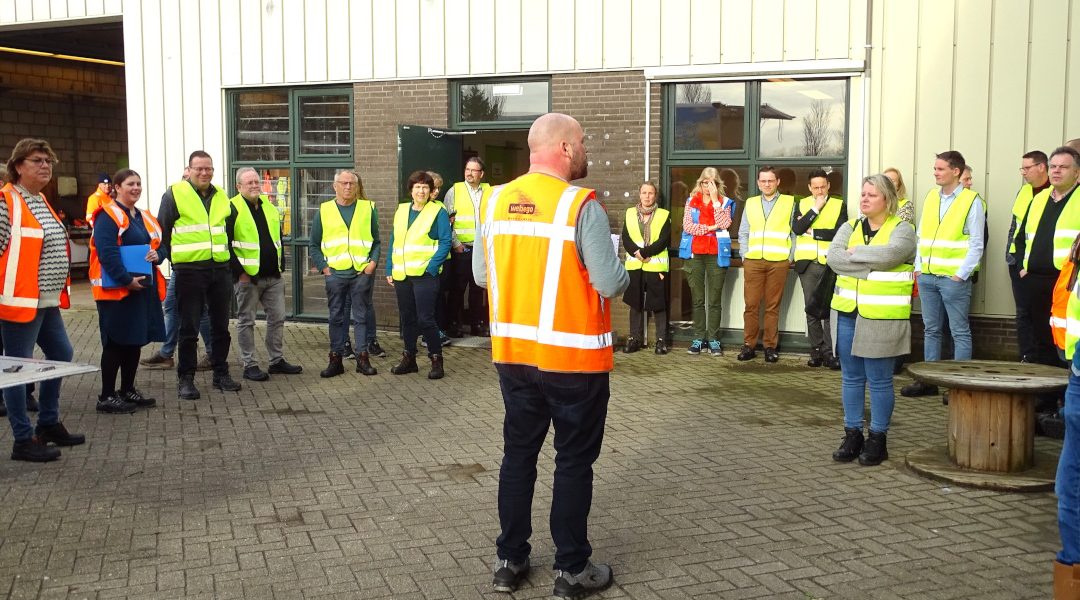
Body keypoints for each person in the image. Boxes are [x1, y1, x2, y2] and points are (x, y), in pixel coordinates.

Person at [474, 112, 627, 598]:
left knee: (518, 456)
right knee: (573, 463)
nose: (585, 151)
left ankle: (509, 560)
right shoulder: (581, 205)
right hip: (574, 363)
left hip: (514, 357)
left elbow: (482, 276)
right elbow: (608, 282)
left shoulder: (495, 201)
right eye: (581, 143)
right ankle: (571, 570)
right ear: (562, 148)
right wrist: (619, 265)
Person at [0, 138, 84, 462]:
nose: (45, 166)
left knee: (61, 353)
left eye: (48, 161)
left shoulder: (40, 200)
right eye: (37, 160)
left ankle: (48, 422)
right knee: (17, 369)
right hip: (21, 302)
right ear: (18, 166)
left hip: (46, 300)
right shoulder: (7, 201)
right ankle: (23, 439)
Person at [827, 174, 917, 467]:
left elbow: (892, 256)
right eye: (862, 194)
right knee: (851, 378)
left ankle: (878, 438)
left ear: (887, 199)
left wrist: (857, 254)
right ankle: (853, 434)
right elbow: (833, 258)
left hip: (881, 316)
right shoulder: (849, 226)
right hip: (847, 312)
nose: (864, 199)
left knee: (879, 381)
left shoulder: (902, 229)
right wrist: (869, 266)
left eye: (871, 195)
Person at [901, 151, 985, 397]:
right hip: (927, 276)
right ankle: (928, 381)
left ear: (955, 171)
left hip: (952, 279)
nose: (935, 172)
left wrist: (960, 274)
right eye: (935, 168)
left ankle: (958, 385)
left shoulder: (972, 201)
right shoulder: (930, 197)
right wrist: (918, 268)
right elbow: (921, 235)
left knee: (959, 331)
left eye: (940, 169)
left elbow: (976, 244)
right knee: (931, 329)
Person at [158, 150, 241, 399]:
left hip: (219, 270)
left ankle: (220, 373)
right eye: (199, 169)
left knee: (221, 327)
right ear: (189, 169)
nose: (205, 173)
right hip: (189, 271)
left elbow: (229, 230)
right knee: (189, 328)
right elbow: (163, 231)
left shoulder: (222, 196)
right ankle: (186, 378)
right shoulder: (174, 194)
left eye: (209, 168)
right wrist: (175, 261)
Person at [88, 168, 166, 414]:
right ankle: (107, 396)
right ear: (117, 187)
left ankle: (128, 389)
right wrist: (125, 280)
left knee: (135, 341)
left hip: (141, 288)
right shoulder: (107, 215)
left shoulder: (144, 216)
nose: (136, 188)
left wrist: (159, 255)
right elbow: (107, 252)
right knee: (116, 342)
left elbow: (163, 246)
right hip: (117, 291)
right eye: (130, 184)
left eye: (139, 184)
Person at [228, 167, 303, 382]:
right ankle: (249, 364)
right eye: (249, 182)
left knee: (278, 318)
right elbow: (227, 245)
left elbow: (277, 239)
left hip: (273, 277)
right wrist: (240, 273)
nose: (254, 185)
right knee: (246, 321)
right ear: (239, 186)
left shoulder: (269, 207)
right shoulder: (231, 208)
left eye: (256, 181)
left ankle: (276, 361)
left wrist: (280, 266)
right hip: (248, 278)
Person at [309, 169, 380, 378]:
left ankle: (362, 358)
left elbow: (376, 241)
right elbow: (314, 244)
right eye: (344, 183)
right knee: (336, 318)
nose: (348, 187)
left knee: (361, 317)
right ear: (335, 186)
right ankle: (336, 359)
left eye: (352, 183)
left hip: (361, 273)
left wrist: (372, 264)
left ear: (357, 186)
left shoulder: (367, 208)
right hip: (336, 274)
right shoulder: (324, 210)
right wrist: (325, 268)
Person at [1014, 147, 1080, 371]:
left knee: (1063, 340)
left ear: (1077, 173)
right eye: (1053, 166)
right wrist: (1024, 267)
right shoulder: (1040, 198)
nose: (1057, 171)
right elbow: (1021, 236)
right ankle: (1046, 397)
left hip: (1066, 283)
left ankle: (1064, 396)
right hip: (1035, 280)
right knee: (1041, 338)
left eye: (1064, 167)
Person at [386, 170, 451, 379]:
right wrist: (389, 268)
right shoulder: (402, 210)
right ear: (411, 191)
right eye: (417, 187)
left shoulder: (437, 212)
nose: (421, 191)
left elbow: (445, 242)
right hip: (402, 275)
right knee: (407, 319)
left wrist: (432, 268)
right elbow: (394, 241)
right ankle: (409, 359)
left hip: (425, 275)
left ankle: (436, 359)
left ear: (431, 191)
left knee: (426, 319)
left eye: (425, 187)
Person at [737, 166, 796, 363]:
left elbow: (794, 233)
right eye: (763, 181)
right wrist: (744, 255)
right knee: (751, 305)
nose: (767, 184)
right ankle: (749, 345)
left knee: (772, 307)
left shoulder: (789, 202)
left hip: (778, 262)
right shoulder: (751, 202)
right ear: (758, 183)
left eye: (770, 180)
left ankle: (770, 347)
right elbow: (743, 231)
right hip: (753, 261)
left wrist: (790, 257)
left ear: (778, 182)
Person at [792, 169, 847, 368]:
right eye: (815, 187)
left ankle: (829, 351)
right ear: (809, 188)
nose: (819, 190)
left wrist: (812, 231)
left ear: (829, 185)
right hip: (806, 264)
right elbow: (797, 229)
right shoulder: (803, 203)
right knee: (811, 308)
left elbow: (839, 233)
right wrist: (815, 208)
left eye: (823, 186)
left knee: (829, 309)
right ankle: (815, 349)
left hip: (829, 263)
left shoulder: (839, 204)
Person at [681, 168, 733, 355]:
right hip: (695, 253)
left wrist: (715, 201)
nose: (707, 186)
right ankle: (698, 338)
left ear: (717, 184)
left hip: (716, 254)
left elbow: (725, 224)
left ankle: (713, 339)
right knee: (697, 299)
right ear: (700, 183)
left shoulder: (725, 202)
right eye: (705, 182)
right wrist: (710, 227)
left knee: (714, 300)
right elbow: (687, 226)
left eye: (712, 183)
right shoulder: (691, 201)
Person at [1008, 151, 1051, 362]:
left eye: (1027, 168)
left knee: (1044, 316)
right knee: (1023, 313)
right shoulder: (1024, 192)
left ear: (1042, 167)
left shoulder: (1055, 192)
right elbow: (1015, 227)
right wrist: (1013, 259)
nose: (1024, 173)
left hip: (1045, 269)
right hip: (1019, 263)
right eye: (1022, 169)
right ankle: (1027, 357)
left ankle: (1048, 361)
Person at [622, 181, 671, 354]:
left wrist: (645, 252)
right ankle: (634, 339)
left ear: (655, 195)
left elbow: (664, 240)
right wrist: (638, 253)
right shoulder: (629, 213)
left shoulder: (664, 215)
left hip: (655, 266)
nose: (647, 196)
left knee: (658, 305)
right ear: (639, 194)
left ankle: (661, 341)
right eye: (644, 193)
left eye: (650, 193)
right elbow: (626, 238)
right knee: (634, 303)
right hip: (635, 265)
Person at [444, 157, 491, 337]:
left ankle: (477, 325)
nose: (469, 173)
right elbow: (448, 220)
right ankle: (454, 325)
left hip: (482, 248)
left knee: (478, 288)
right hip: (463, 249)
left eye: (474, 170)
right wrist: (456, 244)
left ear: (482, 174)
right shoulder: (455, 190)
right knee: (458, 288)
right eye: (467, 169)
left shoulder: (489, 191)